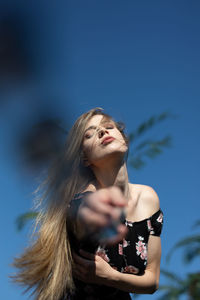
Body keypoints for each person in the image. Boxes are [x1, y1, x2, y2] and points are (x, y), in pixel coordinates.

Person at [12, 108, 163, 300]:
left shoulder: (148, 198)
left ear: (124, 139)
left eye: (109, 127)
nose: (103, 132)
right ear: (85, 159)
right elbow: (83, 217)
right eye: (90, 134)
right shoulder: (83, 199)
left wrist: (111, 277)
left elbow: (152, 281)